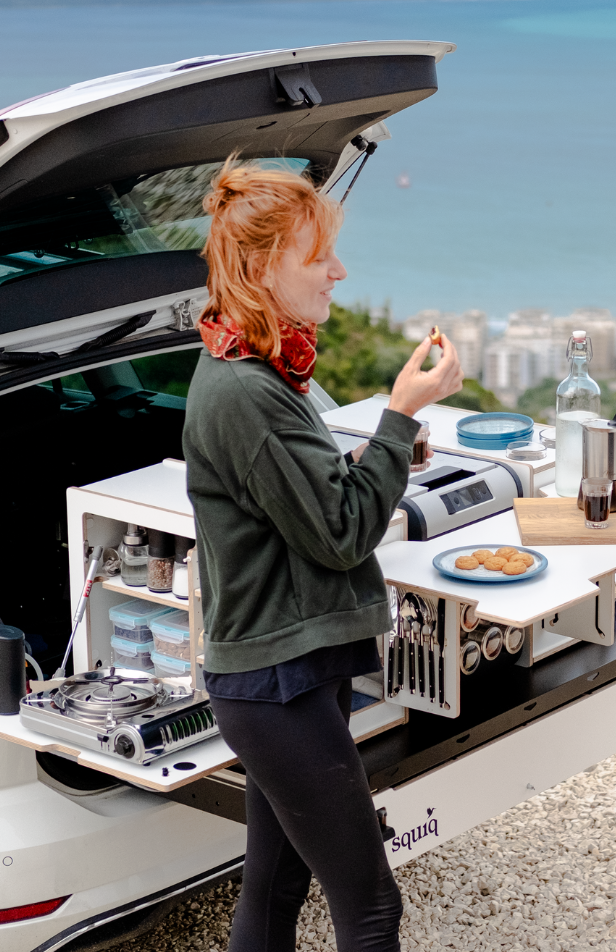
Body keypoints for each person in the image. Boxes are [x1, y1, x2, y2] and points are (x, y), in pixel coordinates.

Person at [183, 158, 463, 952]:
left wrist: (387, 450)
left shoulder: (261, 368)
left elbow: (297, 500)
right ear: (265, 268)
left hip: (288, 671)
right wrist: (399, 417)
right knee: (371, 908)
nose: (338, 273)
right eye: (319, 259)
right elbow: (340, 534)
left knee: (273, 894)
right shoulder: (246, 391)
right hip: (276, 685)